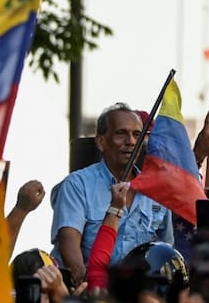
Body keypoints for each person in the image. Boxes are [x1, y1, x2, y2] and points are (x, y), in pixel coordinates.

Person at [50, 103, 173, 284]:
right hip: (89, 291)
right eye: (121, 133)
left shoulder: (157, 190)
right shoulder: (77, 184)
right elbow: (70, 248)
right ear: (101, 142)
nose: (130, 141)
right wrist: (91, 288)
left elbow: (166, 251)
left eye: (137, 135)